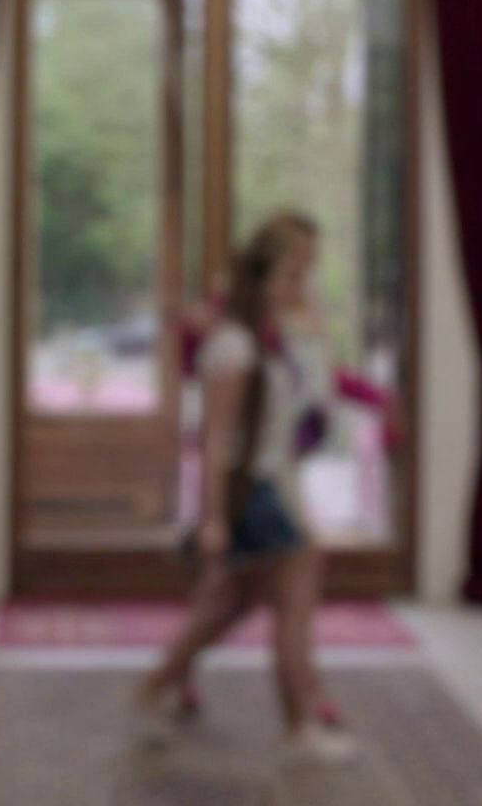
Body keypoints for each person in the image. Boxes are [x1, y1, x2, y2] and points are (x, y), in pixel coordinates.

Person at [131, 210, 359, 766]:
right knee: (294, 605)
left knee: (229, 604)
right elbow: (216, 440)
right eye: (293, 272)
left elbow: (314, 395)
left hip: (271, 484)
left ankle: (156, 688)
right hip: (257, 494)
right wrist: (212, 517)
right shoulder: (234, 345)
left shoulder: (268, 339)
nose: (303, 285)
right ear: (263, 275)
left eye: (307, 271)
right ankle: (299, 726)